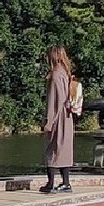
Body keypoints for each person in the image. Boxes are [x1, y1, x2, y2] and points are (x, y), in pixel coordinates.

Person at [41, 46, 76, 193]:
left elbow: (54, 101)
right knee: (64, 149)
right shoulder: (65, 73)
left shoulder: (55, 75)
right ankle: (66, 182)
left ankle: (50, 183)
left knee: (52, 150)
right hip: (68, 116)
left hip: (59, 117)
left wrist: (48, 122)